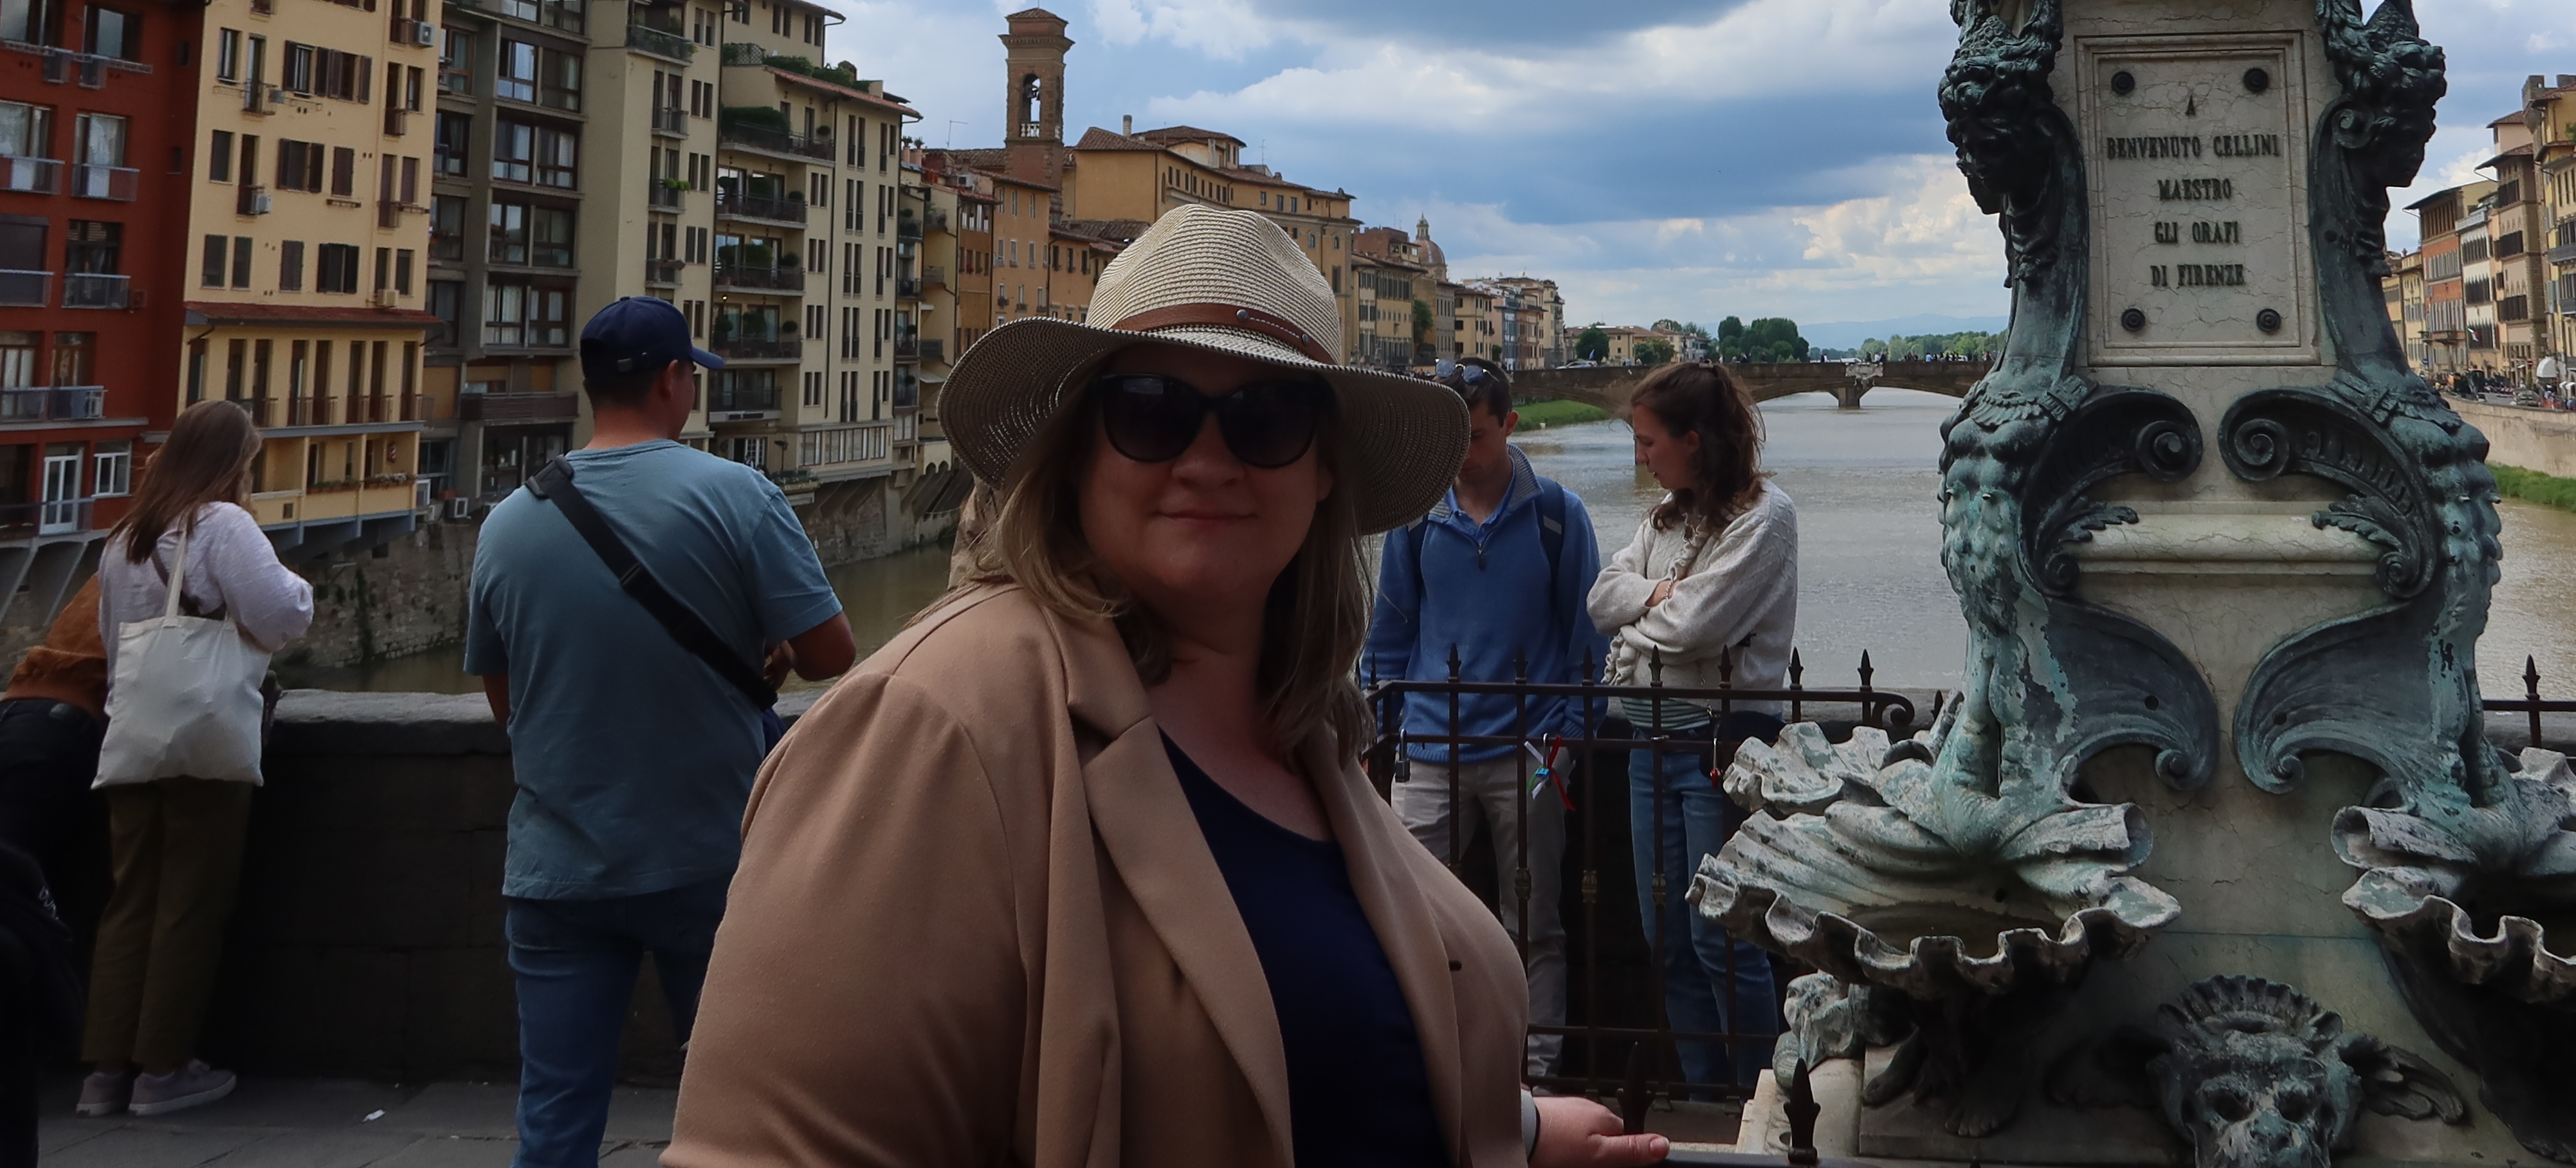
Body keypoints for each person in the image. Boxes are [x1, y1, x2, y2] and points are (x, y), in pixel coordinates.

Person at [667, 203, 1663, 1168]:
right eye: (1151, 412)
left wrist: (1511, 1131)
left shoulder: (1302, 722)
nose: (1208, 461)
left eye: (1265, 417)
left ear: (1322, 467)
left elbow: (1315, 1054)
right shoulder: (929, 726)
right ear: (1079, 447)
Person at [465, 296, 854, 1168]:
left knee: (556, 1115)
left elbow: (507, 705)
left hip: (556, 870)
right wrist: (765, 661)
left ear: (593, 386)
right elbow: (835, 652)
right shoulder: (738, 493)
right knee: (741, 1112)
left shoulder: (507, 523)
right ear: (676, 382)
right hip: (707, 861)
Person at [1365, 358, 1605, 1077]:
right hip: (1429, 751)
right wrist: (1387, 731)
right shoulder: (1413, 519)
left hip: (1526, 758)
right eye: (1447, 438)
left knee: (1533, 927)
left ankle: (1534, 1072)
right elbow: (1389, 637)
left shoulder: (1559, 516)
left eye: (1473, 436)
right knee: (1414, 922)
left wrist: (1562, 745)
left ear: (1509, 425)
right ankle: (1430, 1065)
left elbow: (1584, 641)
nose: (1460, 453)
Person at [82, 398, 315, 1120]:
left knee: (129, 902)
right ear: (231, 462)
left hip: (131, 732)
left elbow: (107, 632)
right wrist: (303, 589)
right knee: (189, 903)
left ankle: (103, 1075)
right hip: (203, 735)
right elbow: (279, 618)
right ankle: (163, 1070)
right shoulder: (224, 525)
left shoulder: (122, 537)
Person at [1589, 361, 1798, 1099]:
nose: (1641, 457)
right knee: (1664, 939)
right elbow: (1600, 595)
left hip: (1718, 746)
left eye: (1650, 442)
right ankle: (1707, 1093)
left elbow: (1697, 625)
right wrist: (1655, 597)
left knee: (1722, 937)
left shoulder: (1765, 518)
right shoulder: (1661, 521)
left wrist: (1643, 625)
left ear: (1695, 440)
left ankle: (1756, 1096)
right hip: (1649, 747)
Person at [0, 572, 112, 947]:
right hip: (56, 740)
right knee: (5, 905)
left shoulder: (118, 559)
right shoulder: (197, 555)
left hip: (0, 724)